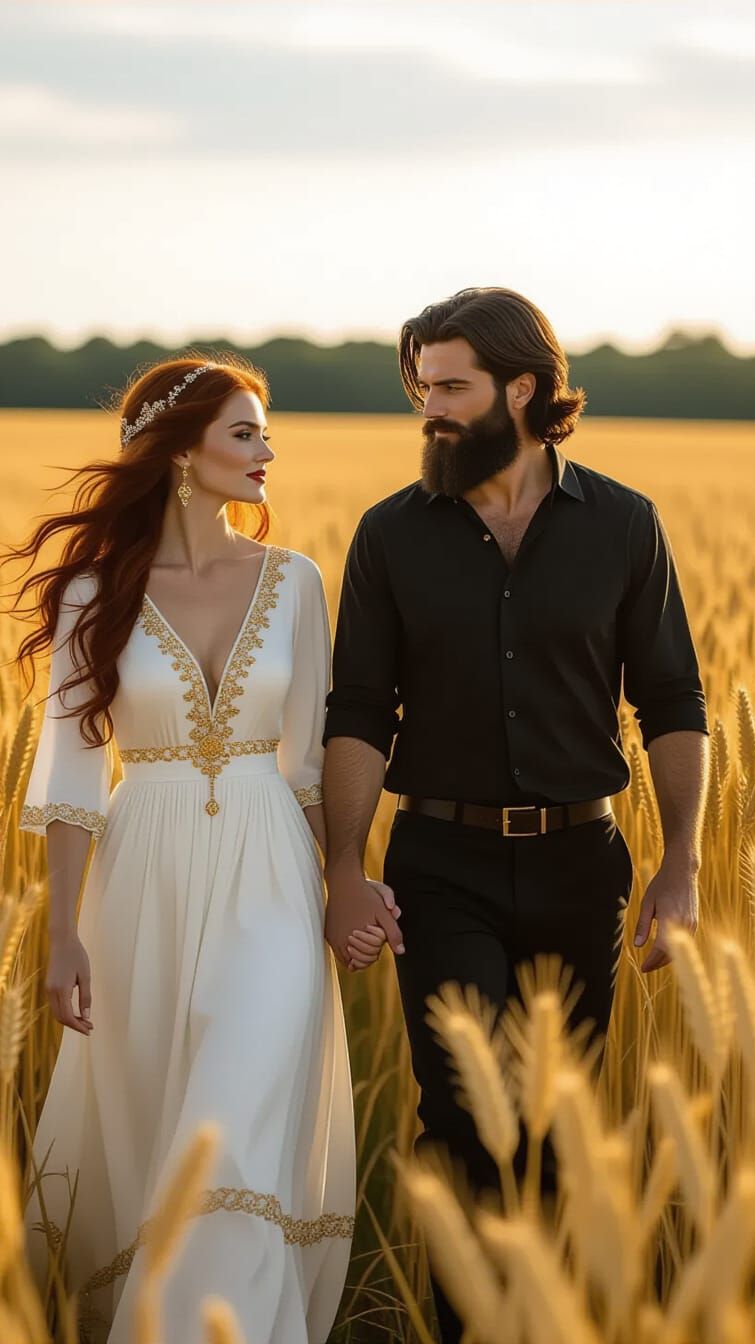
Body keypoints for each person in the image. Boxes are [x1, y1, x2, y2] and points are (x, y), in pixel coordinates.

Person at [321, 288, 710, 1343]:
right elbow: (359, 708)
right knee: (461, 1116)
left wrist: (679, 866)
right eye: (421, 389)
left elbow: (671, 699)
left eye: (451, 386)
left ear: (524, 389)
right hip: (438, 860)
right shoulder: (391, 536)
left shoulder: (624, 524)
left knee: (551, 1128)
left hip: (584, 862)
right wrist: (345, 869)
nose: (430, 410)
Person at [12, 354, 388, 1344]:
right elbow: (71, 781)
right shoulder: (96, 592)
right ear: (181, 454)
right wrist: (61, 939)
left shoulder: (298, 581)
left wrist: (346, 878)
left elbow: (313, 764)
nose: (269, 450)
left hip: (272, 877)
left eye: (265, 432)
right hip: (144, 884)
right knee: (166, 1147)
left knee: (234, 1141)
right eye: (245, 432)